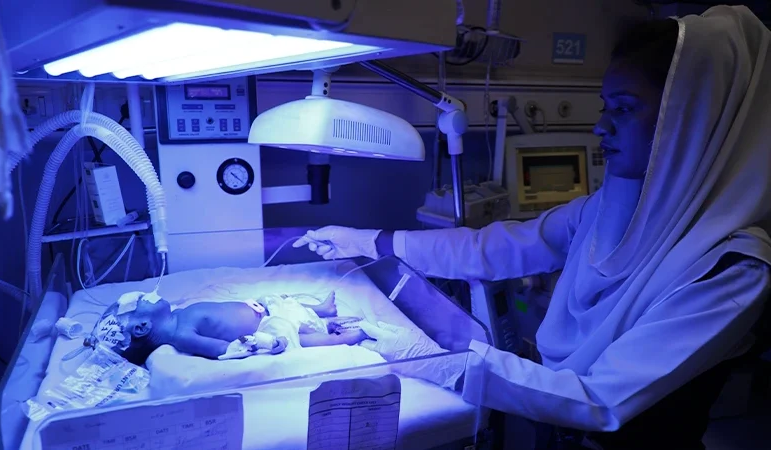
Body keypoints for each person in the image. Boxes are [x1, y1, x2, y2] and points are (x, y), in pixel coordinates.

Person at [294, 5, 771, 449]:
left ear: (692, 121)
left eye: (623, 108)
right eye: (604, 105)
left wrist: (449, 360)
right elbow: (493, 248)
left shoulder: (731, 266)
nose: (601, 127)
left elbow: (600, 400)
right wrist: (369, 240)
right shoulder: (608, 209)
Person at [84, 290, 368, 365]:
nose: (149, 295)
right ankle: (349, 337)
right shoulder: (182, 336)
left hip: (263, 307)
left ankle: (322, 310)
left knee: (285, 299)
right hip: (270, 324)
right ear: (143, 326)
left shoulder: (181, 314)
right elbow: (226, 349)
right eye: (143, 301)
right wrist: (266, 344)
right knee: (303, 338)